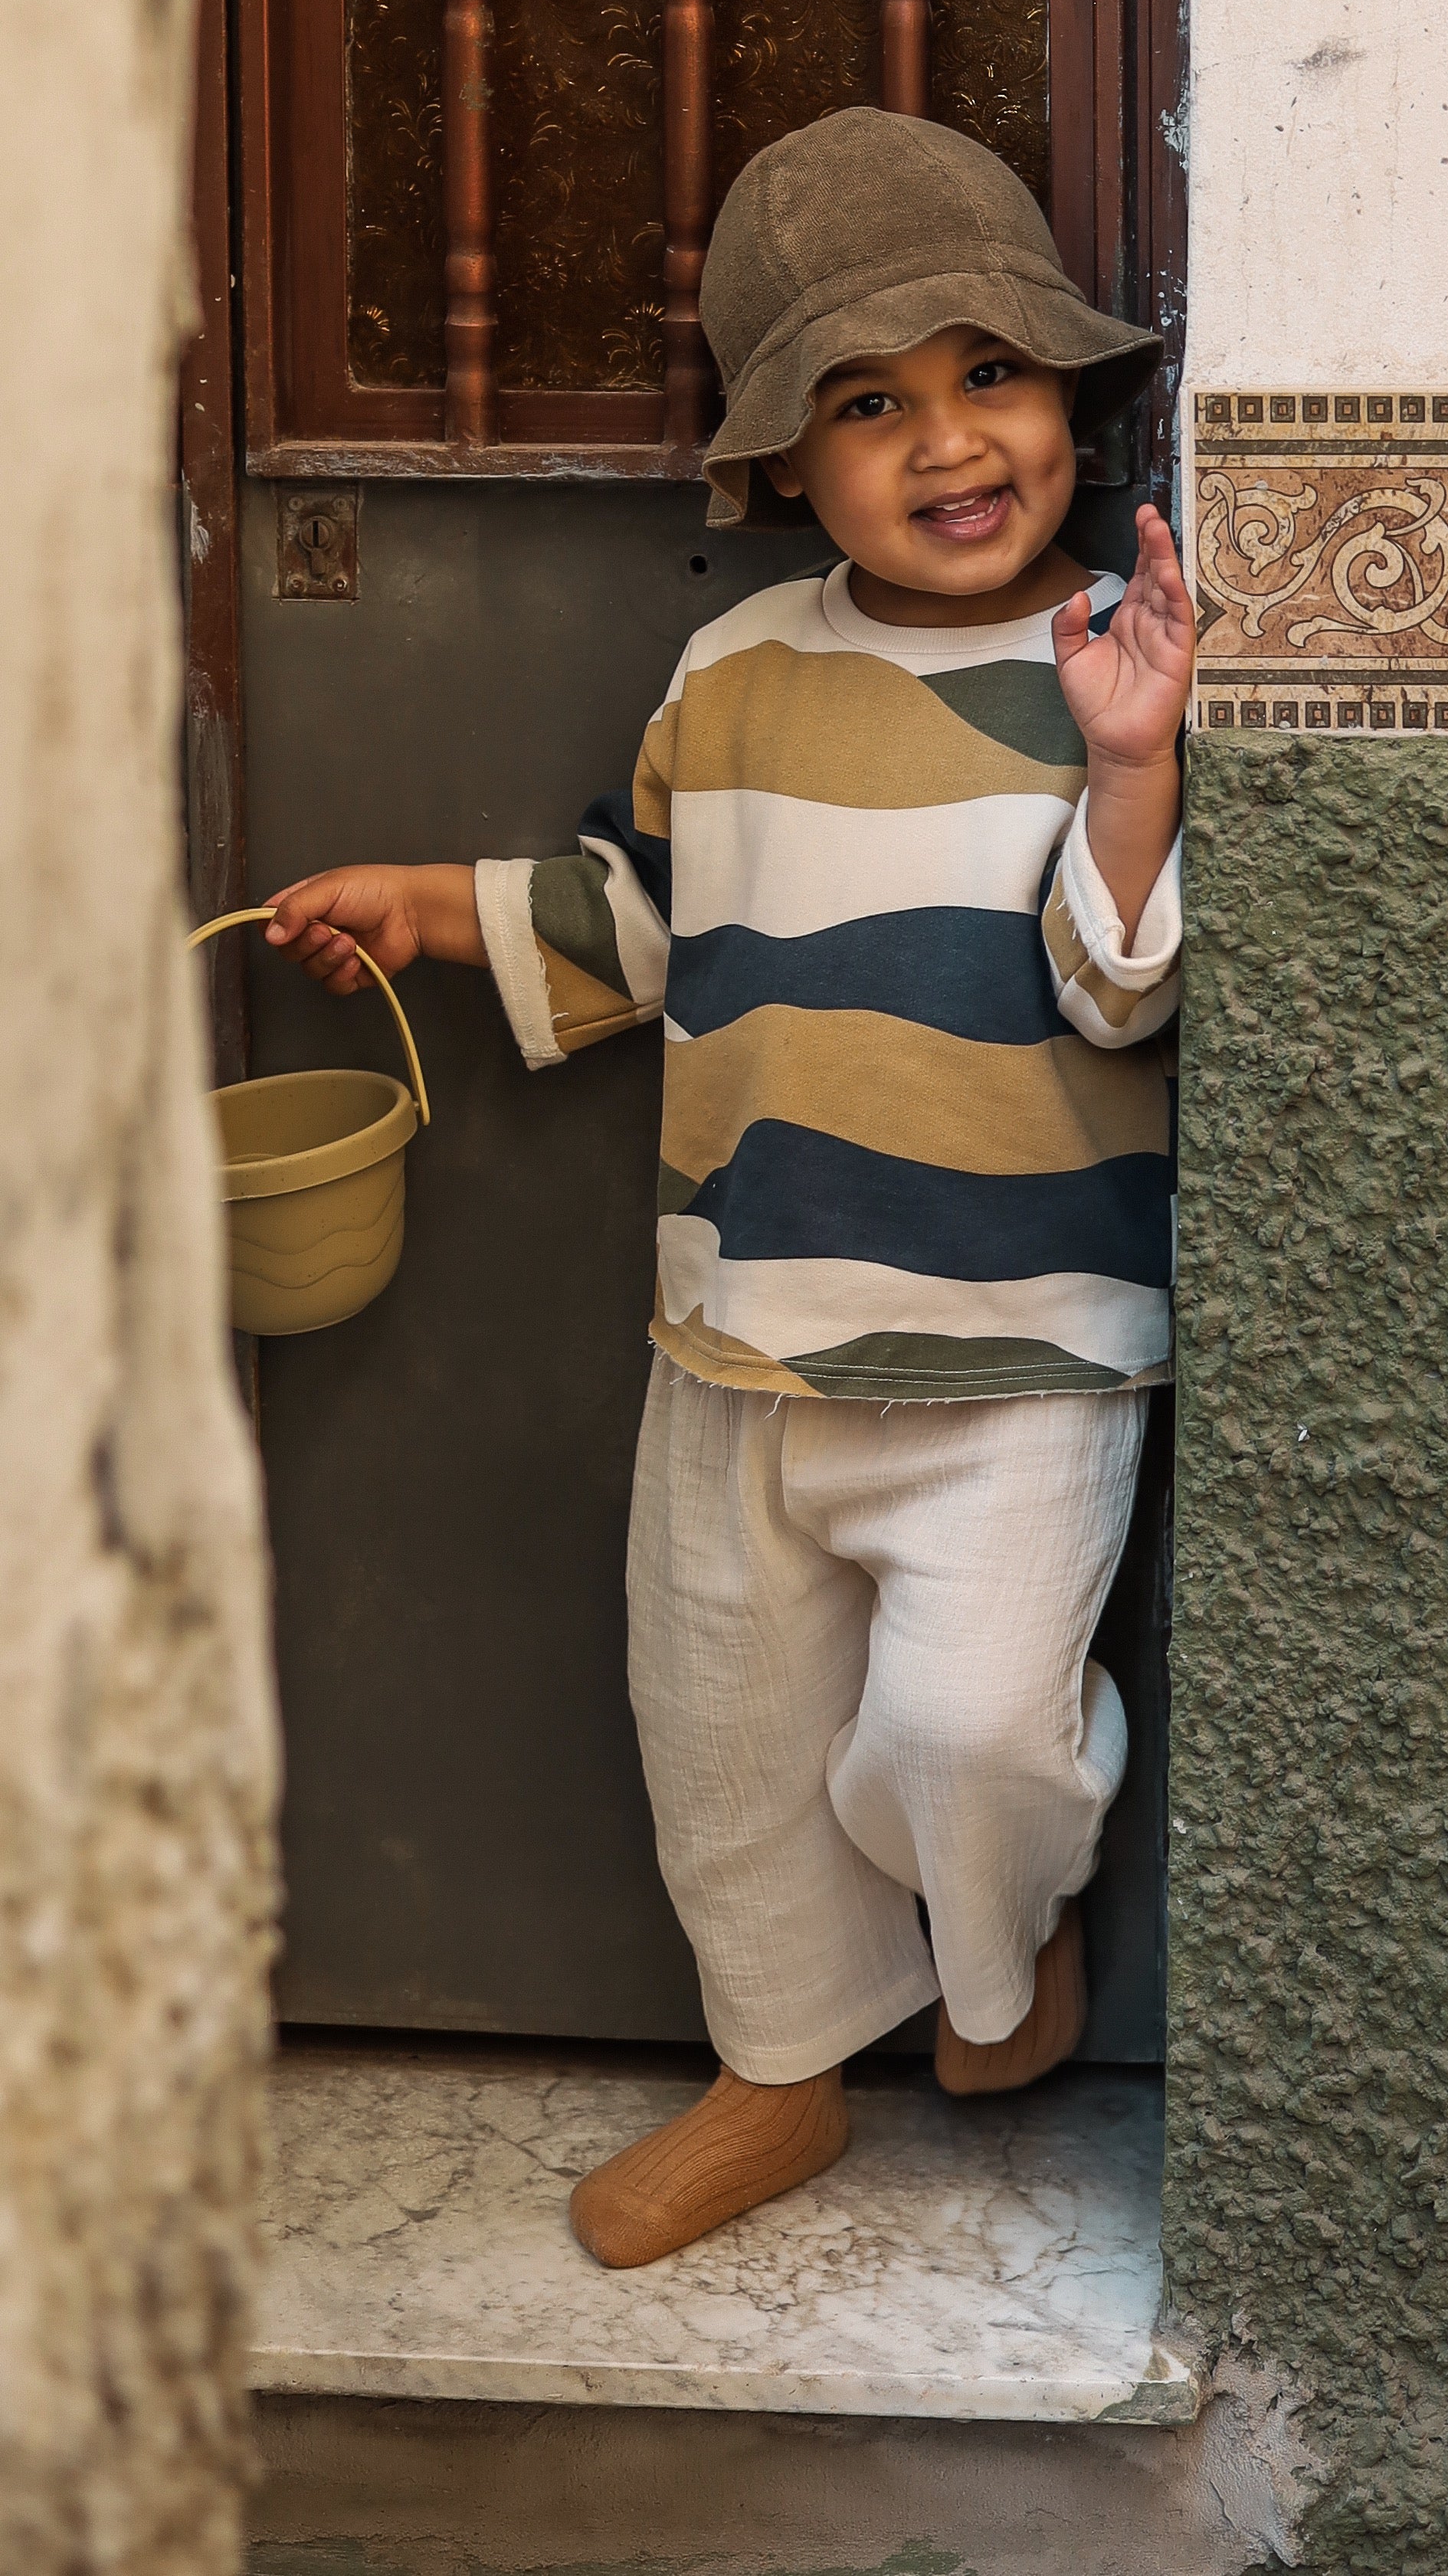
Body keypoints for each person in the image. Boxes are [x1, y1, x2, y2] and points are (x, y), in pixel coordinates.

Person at [263, 109, 1191, 2268]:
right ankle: (775, 2076)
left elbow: (1117, 989)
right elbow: (652, 913)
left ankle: (997, 1973)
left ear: (1065, 401)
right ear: (787, 463)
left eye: (990, 379)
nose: (948, 443)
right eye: (870, 407)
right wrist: (425, 905)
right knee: (726, 1735)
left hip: (1020, 1351)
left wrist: (1135, 766)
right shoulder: (738, 663)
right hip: (745, 1323)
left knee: (968, 1731)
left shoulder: (1104, 670)